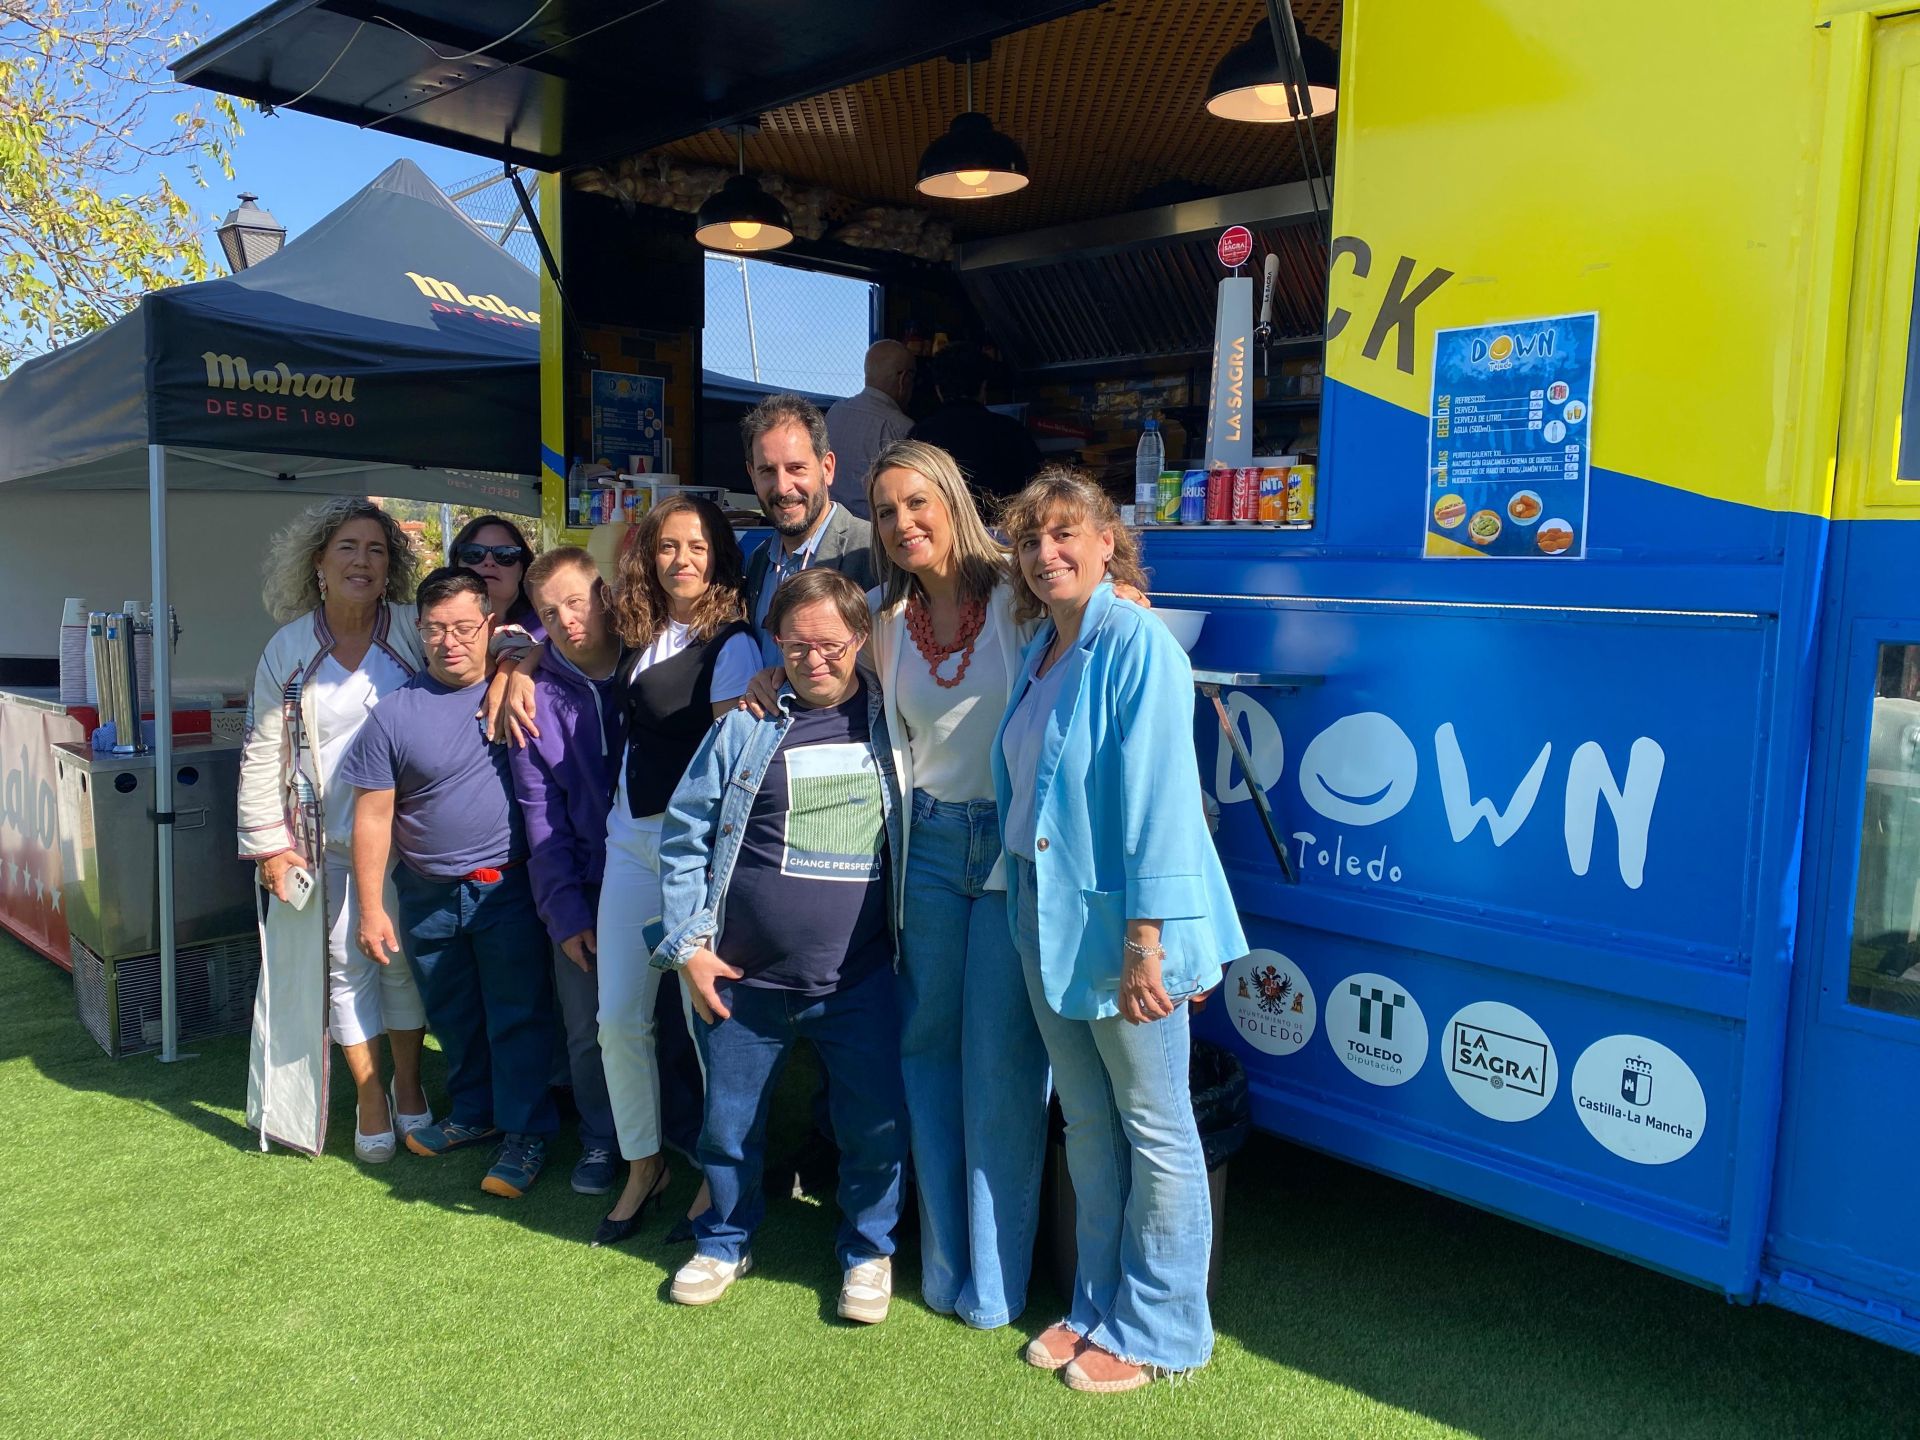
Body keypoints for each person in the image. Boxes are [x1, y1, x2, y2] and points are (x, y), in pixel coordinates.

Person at [993, 467, 1246, 1393]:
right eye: (1030, 540)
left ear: (1109, 544)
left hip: (1125, 927)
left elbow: (1161, 804)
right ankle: (1098, 1304)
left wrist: (1150, 941)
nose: (1046, 552)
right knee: (1089, 1119)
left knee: (1155, 1124)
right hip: (1042, 907)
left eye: (1067, 534)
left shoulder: (1137, 641)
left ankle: (1164, 1327)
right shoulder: (1044, 646)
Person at [653, 568, 908, 1323]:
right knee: (728, 1125)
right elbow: (685, 834)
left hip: (860, 978)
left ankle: (868, 1252)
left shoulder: (895, 721)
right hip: (744, 977)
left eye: (830, 643)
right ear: (776, 645)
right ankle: (725, 1239)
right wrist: (690, 944)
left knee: (873, 1123)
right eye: (796, 645)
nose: (814, 659)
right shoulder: (746, 725)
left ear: (860, 640)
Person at [862, 439, 1052, 1329]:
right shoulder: (883, 622)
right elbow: (801, 654)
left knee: (1003, 1064)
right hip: (930, 846)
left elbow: (1110, 607)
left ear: (951, 501)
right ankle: (942, 1269)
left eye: (917, 504)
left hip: (1009, 851)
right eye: (887, 511)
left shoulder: (1022, 597)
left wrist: (1126, 593)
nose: (904, 524)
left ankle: (996, 1284)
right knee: (927, 1054)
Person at [341, 566, 559, 1198]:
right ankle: (474, 1113)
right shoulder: (392, 715)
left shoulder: (519, 681)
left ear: (489, 624)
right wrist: (371, 909)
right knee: (454, 1013)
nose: (452, 641)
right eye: (436, 629)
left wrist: (521, 663)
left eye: (466, 626)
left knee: (517, 1014)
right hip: (426, 893)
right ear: (419, 632)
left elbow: (564, 643)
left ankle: (526, 1132)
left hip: (506, 888)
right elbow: (374, 816)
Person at [239, 497, 431, 1162]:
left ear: (391, 567)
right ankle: (370, 1096)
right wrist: (270, 844)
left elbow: (492, 635)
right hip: (322, 848)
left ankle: (411, 1085)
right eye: (347, 547)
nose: (362, 560)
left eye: (376, 550)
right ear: (318, 562)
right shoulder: (288, 649)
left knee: (402, 964)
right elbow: (263, 750)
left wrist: (516, 661)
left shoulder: (412, 630)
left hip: (409, 847)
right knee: (346, 969)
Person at [591, 496, 760, 1246]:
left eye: (696, 546)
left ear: (719, 555)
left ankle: (714, 1176)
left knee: (702, 1028)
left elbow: (730, 772)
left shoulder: (733, 645)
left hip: (686, 852)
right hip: (625, 840)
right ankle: (642, 1163)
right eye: (666, 547)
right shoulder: (643, 634)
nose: (681, 559)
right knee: (619, 1020)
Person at [507, 547, 626, 1198]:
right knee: (589, 1031)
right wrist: (566, 913)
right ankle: (604, 1138)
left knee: (670, 1022)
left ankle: (675, 1134)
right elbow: (539, 816)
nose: (567, 619)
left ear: (604, 595)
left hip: (660, 877)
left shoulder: (647, 661)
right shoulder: (534, 698)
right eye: (551, 612)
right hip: (581, 888)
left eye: (577, 601)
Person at [741, 393, 878, 668]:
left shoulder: (872, 551)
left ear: (827, 468)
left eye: (796, 468)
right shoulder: (759, 561)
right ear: (752, 476)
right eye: (767, 471)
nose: (782, 487)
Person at [908, 342, 1043, 508]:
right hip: (1002, 530)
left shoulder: (919, 435)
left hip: (944, 530)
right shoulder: (1010, 430)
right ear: (983, 388)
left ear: (938, 390)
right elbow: (1038, 490)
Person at [824, 340, 916, 520]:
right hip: (874, 534)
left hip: (829, 526)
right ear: (903, 379)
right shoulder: (902, 428)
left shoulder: (835, 412)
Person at [450, 514, 540, 632]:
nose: (489, 562)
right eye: (474, 553)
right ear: (457, 564)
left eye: (505, 554)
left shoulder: (550, 631)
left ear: (522, 570)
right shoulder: (426, 624)